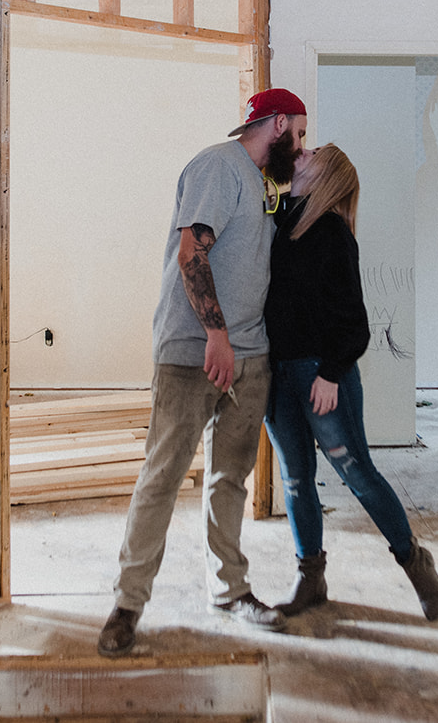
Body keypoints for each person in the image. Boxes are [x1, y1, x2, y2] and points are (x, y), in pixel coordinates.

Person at [97, 88, 309, 657]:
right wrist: (216, 335)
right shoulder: (220, 164)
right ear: (280, 123)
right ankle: (127, 603)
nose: (301, 146)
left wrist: (244, 344)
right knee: (164, 474)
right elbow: (193, 251)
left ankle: (230, 590)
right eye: (301, 134)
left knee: (229, 479)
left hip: (251, 354)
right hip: (196, 348)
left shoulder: (263, 181)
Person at [262, 144, 438, 620]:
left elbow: (355, 325)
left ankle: (412, 557)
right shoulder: (284, 218)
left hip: (320, 373)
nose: (302, 152)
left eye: (313, 152)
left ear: (326, 175)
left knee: (356, 471)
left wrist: (328, 375)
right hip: (278, 373)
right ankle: (311, 578)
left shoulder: (331, 234)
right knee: (296, 478)